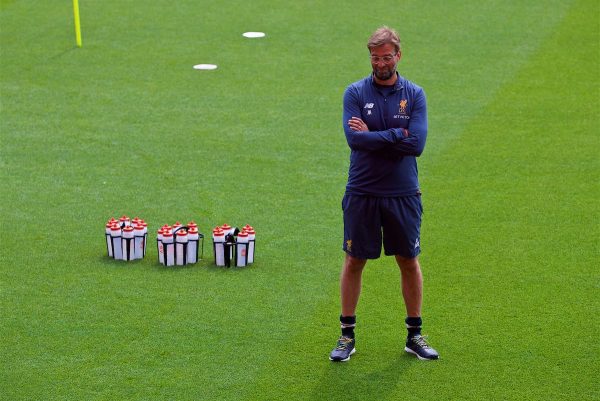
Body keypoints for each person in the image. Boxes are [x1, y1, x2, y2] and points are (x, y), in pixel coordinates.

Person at [329, 26, 439, 362]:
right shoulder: (355, 93)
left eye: (386, 57)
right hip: (362, 190)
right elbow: (354, 140)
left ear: (398, 56)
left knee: (408, 260)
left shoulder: (415, 94)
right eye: (375, 58)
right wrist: (396, 135)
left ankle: (414, 335)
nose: (380, 63)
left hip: (403, 192)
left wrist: (375, 134)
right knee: (354, 260)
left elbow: (416, 144)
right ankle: (346, 335)